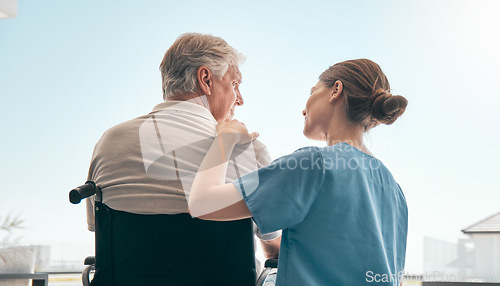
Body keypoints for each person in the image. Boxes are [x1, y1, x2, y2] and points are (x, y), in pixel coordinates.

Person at [188, 59, 409, 285]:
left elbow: (203, 203)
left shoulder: (312, 165)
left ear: (336, 90)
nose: (304, 109)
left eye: (313, 91)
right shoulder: (395, 191)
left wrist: (225, 139)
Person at [85, 33, 280, 286]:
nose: (240, 99)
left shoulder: (109, 143)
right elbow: (273, 250)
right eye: (234, 84)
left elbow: (100, 232)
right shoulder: (248, 151)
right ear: (206, 79)